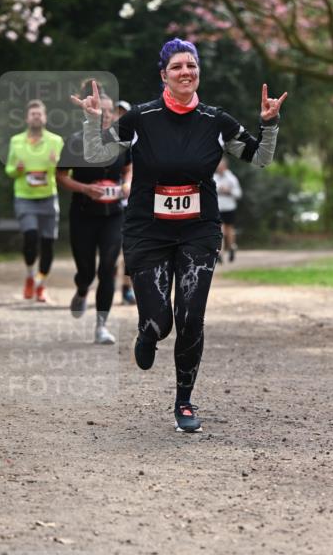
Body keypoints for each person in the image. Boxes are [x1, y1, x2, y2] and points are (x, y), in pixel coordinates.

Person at [71, 38, 287, 433]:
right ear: (164, 76)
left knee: (191, 317)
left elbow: (261, 157)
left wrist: (269, 123)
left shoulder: (215, 121)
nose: (186, 72)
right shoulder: (141, 118)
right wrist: (90, 121)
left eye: (192, 65)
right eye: (177, 67)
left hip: (198, 230)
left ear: (198, 72)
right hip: (147, 230)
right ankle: (147, 331)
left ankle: (184, 401)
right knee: (161, 321)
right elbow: (98, 153)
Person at [57, 85, 132, 345]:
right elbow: (60, 177)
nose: (108, 115)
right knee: (87, 271)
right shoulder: (77, 141)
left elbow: (129, 168)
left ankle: (101, 325)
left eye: (111, 112)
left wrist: (127, 184)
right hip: (83, 214)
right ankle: (81, 289)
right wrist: (85, 189)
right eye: (103, 111)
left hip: (114, 215)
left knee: (108, 267)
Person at [4, 99, 63, 302]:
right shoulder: (16, 141)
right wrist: (17, 170)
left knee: (48, 244)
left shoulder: (56, 141)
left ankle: (40, 285)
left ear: (45, 117)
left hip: (48, 197)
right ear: (27, 118)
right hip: (25, 197)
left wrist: (57, 165)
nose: (36, 117)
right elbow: (9, 170)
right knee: (30, 238)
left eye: (39, 114)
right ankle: (30, 276)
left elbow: (67, 172)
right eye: (33, 114)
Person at [113, 99, 136, 305]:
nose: (120, 117)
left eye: (124, 114)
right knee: (112, 249)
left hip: (134, 203)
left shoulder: (140, 139)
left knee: (129, 249)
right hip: (110, 202)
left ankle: (127, 289)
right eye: (117, 113)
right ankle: (109, 282)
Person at [214, 156, 242, 262]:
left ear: (225, 166)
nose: (219, 168)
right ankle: (220, 253)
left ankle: (231, 248)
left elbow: (238, 194)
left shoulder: (231, 178)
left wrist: (229, 191)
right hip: (218, 208)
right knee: (220, 230)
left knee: (229, 230)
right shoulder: (214, 177)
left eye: (221, 166)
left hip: (229, 208)